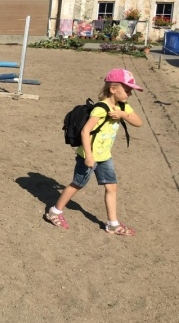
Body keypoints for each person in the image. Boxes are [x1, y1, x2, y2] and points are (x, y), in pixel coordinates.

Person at [45, 68, 143, 236]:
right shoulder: (101, 108)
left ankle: (113, 224)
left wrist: (122, 114)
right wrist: (89, 156)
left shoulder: (122, 106)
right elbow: (85, 131)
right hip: (89, 156)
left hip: (105, 156)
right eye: (127, 90)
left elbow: (138, 122)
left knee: (111, 187)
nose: (130, 94)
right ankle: (54, 212)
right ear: (113, 89)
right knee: (77, 184)